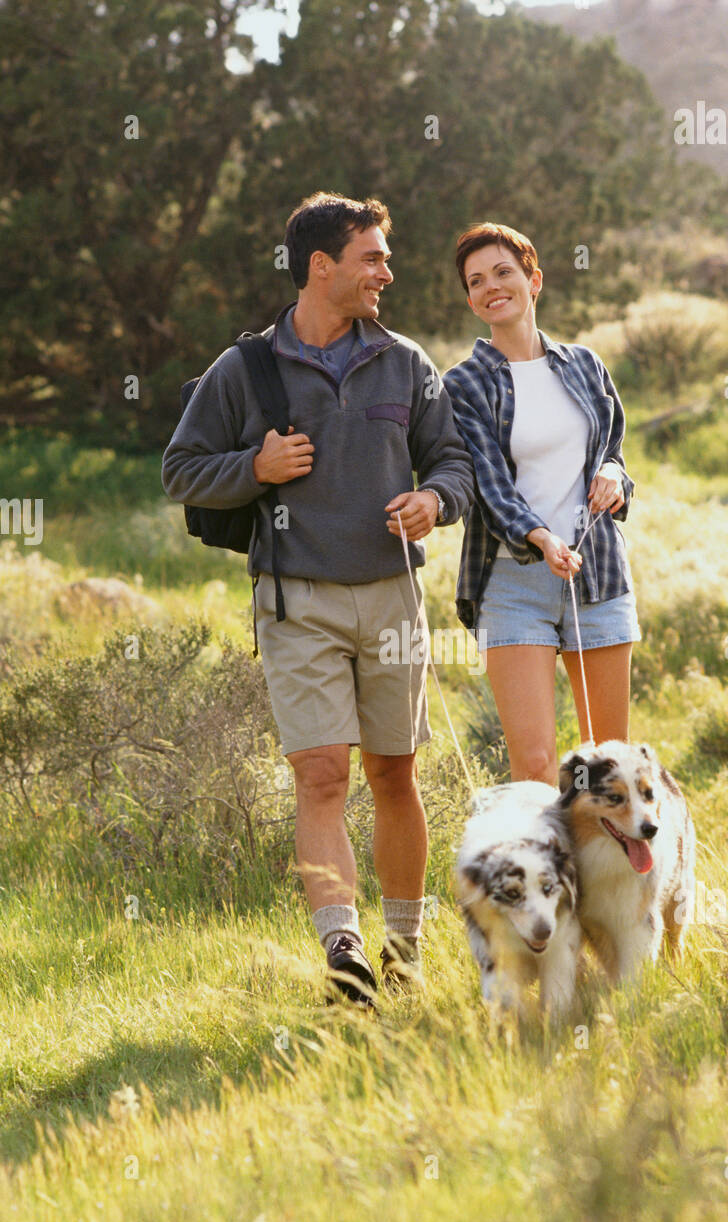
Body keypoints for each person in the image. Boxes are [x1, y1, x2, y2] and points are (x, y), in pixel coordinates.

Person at [163, 192, 474, 1004]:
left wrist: (434, 502)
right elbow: (181, 471)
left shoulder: (406, 361)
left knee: (395, 775)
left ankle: (403, 949)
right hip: (295, 600)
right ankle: (345, 958)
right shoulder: (245, 370)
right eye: (372, 257)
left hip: (391, 600)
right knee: (322, 777)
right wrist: (253, 472)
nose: (387, 272)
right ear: (320, 266)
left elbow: (452, 462)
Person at [442, 222, 640, 785]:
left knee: (609, 765)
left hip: (597, 574)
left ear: (535, 281)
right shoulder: (464, 384)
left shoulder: (584, 364)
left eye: (503, 272)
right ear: (470, 298)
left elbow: (615, 451)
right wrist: (542, 538)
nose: (490, 287)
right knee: (534, 768)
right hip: (512, 584)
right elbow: (489, 485)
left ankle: (608, 876)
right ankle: (548, 876)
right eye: (476, 281)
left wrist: (614, 475)